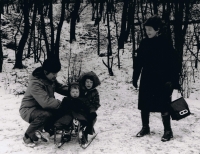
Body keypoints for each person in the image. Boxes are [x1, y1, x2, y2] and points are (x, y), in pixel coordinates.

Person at [132, 15, 179, 142]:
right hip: (147, 77)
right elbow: (139, 62)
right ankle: (145, 127)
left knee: (164, 105)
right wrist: (135, 77)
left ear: (157, 29)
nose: (147, 32)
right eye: (146, 29)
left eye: (150, 29)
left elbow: (174, 62)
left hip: (162, 79)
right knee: (144, 104)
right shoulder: (144, 43)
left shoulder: (165, 42)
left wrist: (173, 81)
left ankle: (168, 131)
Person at [19, 58, 69, 147]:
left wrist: (74, 91)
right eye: (54, 73)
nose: (56, 75)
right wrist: (62, 104)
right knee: (46, 114)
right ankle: (28, 137)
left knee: (58, 111)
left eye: (56, 73)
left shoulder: (50, 80)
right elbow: (46, 102)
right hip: (29, 110)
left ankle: (48, 129)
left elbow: (60, 88)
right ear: (46, 72)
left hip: (41, 108)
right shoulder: (35, 83)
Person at [78, 71, 101, 143]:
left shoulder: (94, 92)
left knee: (92, 117)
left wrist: (92, 110)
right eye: (87, 82)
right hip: (80, 110)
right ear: (84, 82)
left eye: (91, 82)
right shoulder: (80, 90)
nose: (89, 84)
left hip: (89, 111)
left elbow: (96, 103)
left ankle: (86, 132)